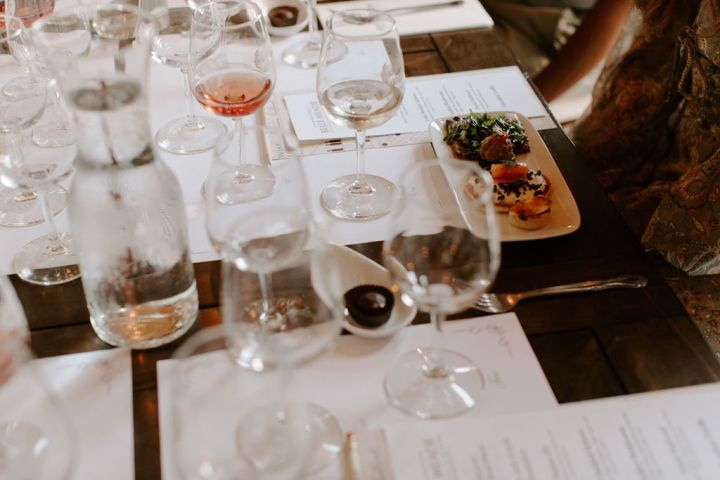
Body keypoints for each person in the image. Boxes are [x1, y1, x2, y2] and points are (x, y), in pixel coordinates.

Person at [571, 0, 720, 357]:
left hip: (702, 243)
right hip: (664, 170)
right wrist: (582, 185)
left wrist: (617, 232)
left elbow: (702, 240)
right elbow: (648, 68)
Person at [483, 0, 633, 102]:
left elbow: (612, 13)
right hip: (490, 5)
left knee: (484, 89)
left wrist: (532, 101)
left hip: (558, 24)